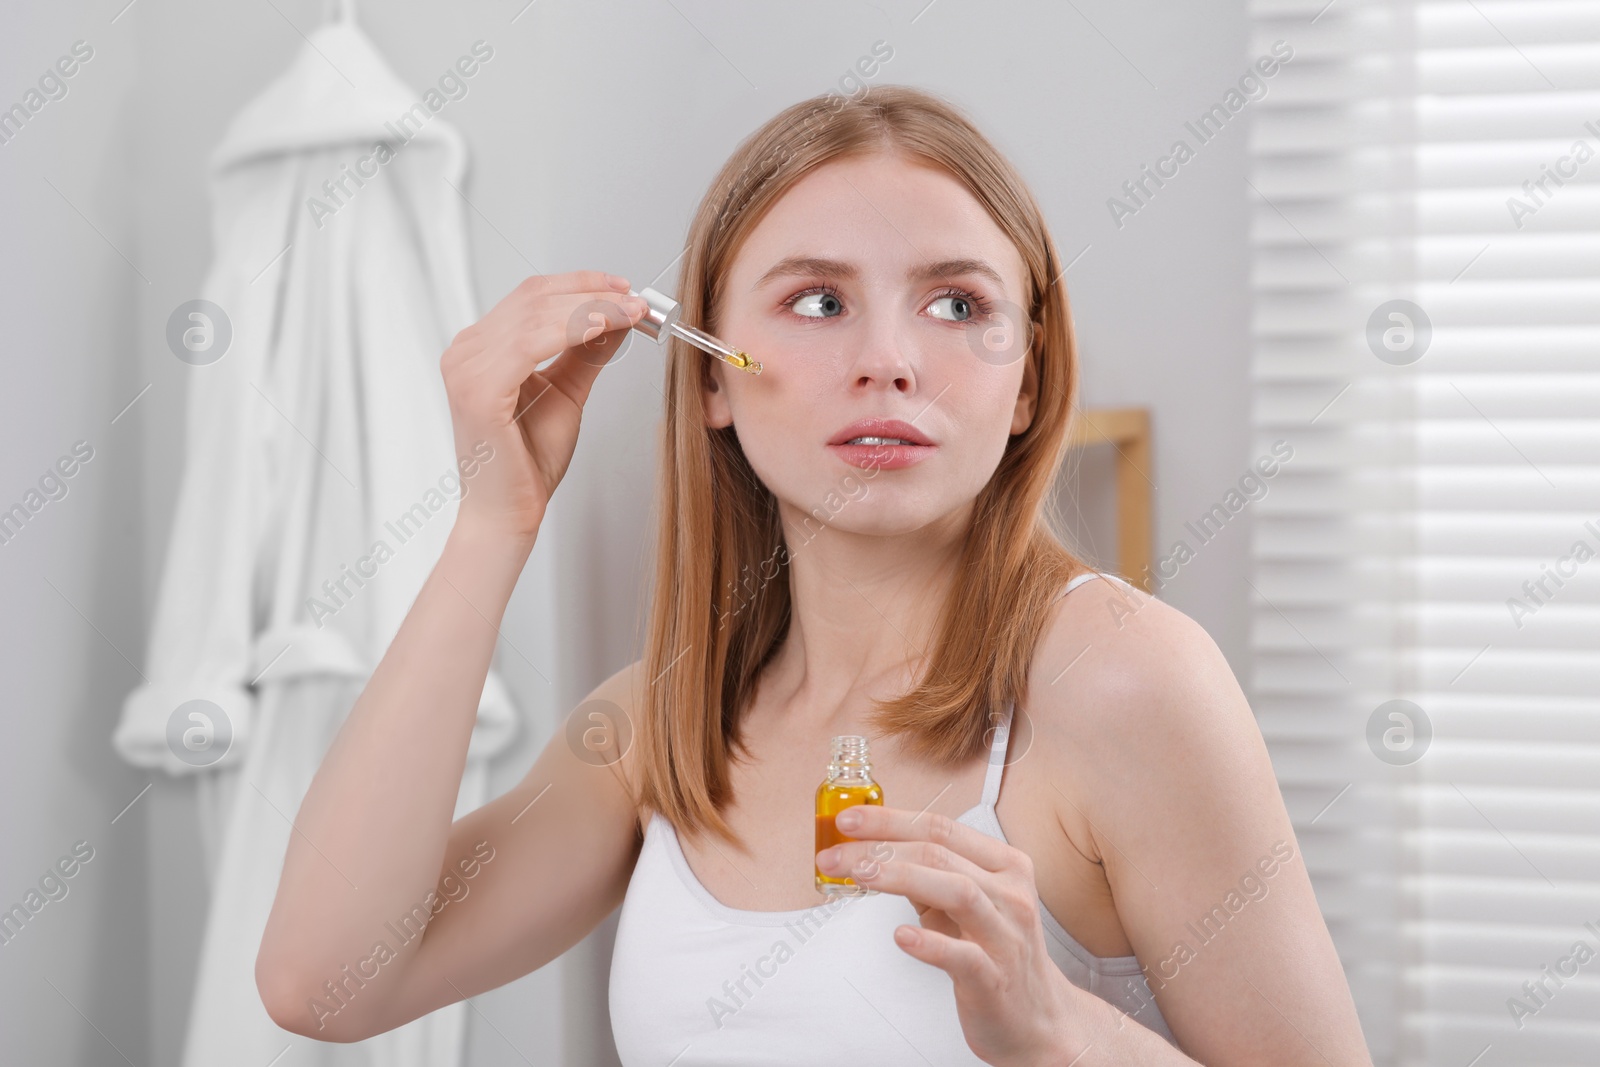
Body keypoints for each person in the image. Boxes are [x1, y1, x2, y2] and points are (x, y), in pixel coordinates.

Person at [256, 84, 1372, 1065]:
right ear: (713, 382)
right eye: (818, 301)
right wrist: (492, 525)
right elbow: (323, 983)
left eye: (957, 304)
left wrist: (1064, 1035)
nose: (887, 358)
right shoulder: (660, 726)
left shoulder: (1124, 680)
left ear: (1026, 383)